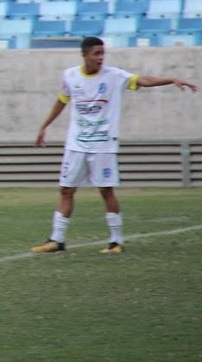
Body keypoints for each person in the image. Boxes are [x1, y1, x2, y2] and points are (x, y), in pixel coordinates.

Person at [32, 36, 197, 254]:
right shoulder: (70, 76)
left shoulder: (114, 76)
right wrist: (44, 126)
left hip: (102, 145)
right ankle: (57, 240)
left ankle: (116, 241)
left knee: (106, 191)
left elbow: (142, 80)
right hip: (76, 145)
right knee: (66, 190)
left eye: (102, 53)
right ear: (84, 55)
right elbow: (62, 101)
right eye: (96, 53)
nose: (101, 58)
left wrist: (170, 79)